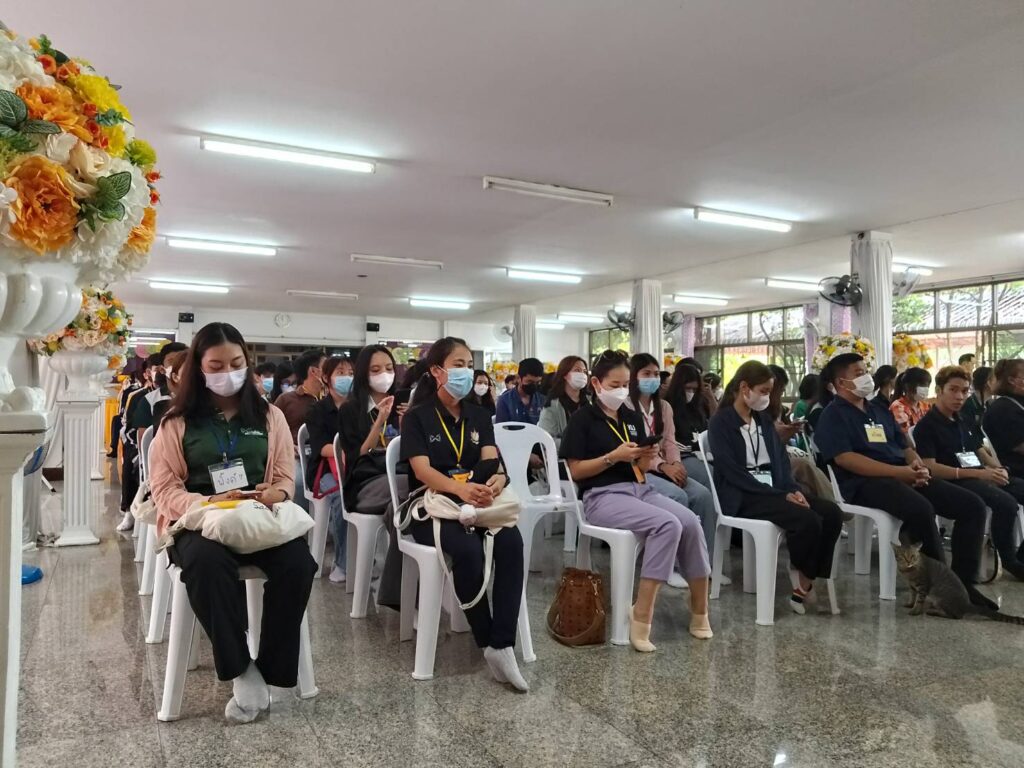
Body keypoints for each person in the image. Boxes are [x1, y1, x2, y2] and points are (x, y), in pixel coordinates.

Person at [148, 322, 316, 724]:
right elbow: (164, 488)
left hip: (258, 516)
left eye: (237, 363)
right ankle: (241, 669)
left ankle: (271, 669)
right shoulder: (177, 421)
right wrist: (209, 502)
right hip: (199, 521)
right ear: (199, 369)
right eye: (217, 365)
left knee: (298, 564)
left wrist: (271, 495)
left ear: (248, 364)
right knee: (206, 565)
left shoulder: (269, 415)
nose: (229, 372)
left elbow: (282, 477)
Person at [814, 353, 994, 609]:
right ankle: (940, 587)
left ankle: (963, 583)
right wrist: (900, 473)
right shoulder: (833, 415)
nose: (866, 376)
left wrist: (915, 463)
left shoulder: (876, 408)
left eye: (866, 370)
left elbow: (903, 444)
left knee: (972, 506)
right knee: (920, 509)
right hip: (864, 483)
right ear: (841, 383)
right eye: (858, 373)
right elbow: (846, 459)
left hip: (904, 475)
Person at [400, 337, 528, 691]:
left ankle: (503, 643)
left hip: (478, 500)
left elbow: (490, 459)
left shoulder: (479, 414)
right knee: (469, 550)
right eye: (458, 364)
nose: (466, 372)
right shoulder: (417, 417)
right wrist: (460, 488)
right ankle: (489, 642)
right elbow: (423, 471)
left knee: (511, 542)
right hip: (433, 505)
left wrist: (498, 481)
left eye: (469, 364)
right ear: (437, 371)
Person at [562, 350, 712, 650]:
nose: (620, 390)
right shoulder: (583, 419)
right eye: (614, 384)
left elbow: (640, 468)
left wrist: (644, 456)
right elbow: (576, 470)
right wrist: (612, 457)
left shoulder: (630, 418)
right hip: (602, 496)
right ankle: (641, 614)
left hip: (639, 488)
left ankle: (700, 611)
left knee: (690, 521)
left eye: (624, 384)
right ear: (596, 383)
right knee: (667, 525)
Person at [708, 361, 842, 614]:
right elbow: (731, 472)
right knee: (807, 520)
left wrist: (794, 490)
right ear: (744, 387)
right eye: (763, 391)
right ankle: (802, 578)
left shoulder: (762, 420)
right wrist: (781, 494)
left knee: (831, 513)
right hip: (742, 495)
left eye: (769, 392)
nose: (766, 397)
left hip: (774, 489)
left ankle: (806, 578)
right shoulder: (721, 422)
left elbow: (780, 460)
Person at [914, 365, 1024, 579]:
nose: (959, 396)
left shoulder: (962, 420)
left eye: (964, 391)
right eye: (953, 390)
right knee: (1006, 504)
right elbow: (930, 466)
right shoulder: (927, 426)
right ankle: (1009, 560)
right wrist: (979, 474)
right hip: (957, 479)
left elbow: (979, 450)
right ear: (939, 391)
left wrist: (996, 468)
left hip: (980, 473)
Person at [628, 353, 717, 587]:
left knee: (704, 496)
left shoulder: (663, 406)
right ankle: (672, 566)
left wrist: (676, 463)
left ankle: (701, 565)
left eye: (656, 374)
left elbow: (669, 441)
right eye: (646, 374)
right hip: (639, 469)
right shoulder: (626, 406)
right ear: (634, 377)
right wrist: (663, 465)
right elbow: (636, 449)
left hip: (664, 466)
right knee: (677, 496)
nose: (653, 378)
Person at [303, 356, 354, 581]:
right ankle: (344, 563)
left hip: (352, 469)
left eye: (350, 373)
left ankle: (360, 554)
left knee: (362, 494)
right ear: (327, 378)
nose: (347, 378)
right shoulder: (318, 410)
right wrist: (342, 451)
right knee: (341, 497)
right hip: (324, 472)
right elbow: (319, 447)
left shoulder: (358, 407)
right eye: (341, 373)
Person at [275, 350, 326, 511]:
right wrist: (289, 446)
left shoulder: (332, 399)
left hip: (325, 452)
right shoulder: (286, 400)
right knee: (297, 481)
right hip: (295, 454)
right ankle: (301, 526)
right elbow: (272, 430)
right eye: (327, 366)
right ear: (314, 371)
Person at [115, 357, 156, 531]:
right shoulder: (138, 396)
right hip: (139, 444)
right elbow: (127, 428)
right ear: (148, 373)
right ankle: (128, 511)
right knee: (131, 462)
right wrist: (141, 449)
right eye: (159, 369)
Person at [663, 364, 713, 487]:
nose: (691, 393)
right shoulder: (668, 406)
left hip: (704, 455)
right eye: (687, 388)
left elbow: (709, 428)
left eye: (694, 390)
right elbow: (669, 441)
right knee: (711, 476)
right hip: (682, 457)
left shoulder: (699, 406)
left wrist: (711, 398)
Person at [983, 359, 1024, 482]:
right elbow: (1020, 447)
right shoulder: (1003, 409)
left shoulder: (1017, 404)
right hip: (1015, 473)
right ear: (1012, 380)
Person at [537, 356, 589, 448]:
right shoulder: (552, 406)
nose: (582, 374)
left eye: (584, 372)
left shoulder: (590, 402)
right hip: (565, 456)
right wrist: (576, 445)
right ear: (565, 374)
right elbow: (546, 440)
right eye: (577, 370)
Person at [495, 358, 545, 424]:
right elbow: (501, 430)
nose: (534, 385)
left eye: (537, 382)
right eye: (529, 381)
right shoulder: (505, 401)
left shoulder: (543, 400)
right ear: (518, 378)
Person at [890, 366, 932, 436]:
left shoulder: (926, 406)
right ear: (908, 386)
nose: (925, 388)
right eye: (922, 385)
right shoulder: (898, 407)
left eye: (927, 385)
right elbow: (906, 435)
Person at [960, 365, 993, 435]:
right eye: (996, 379)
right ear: (987, 383)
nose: (998, 383)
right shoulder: (967, 406)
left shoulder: (989, 404)